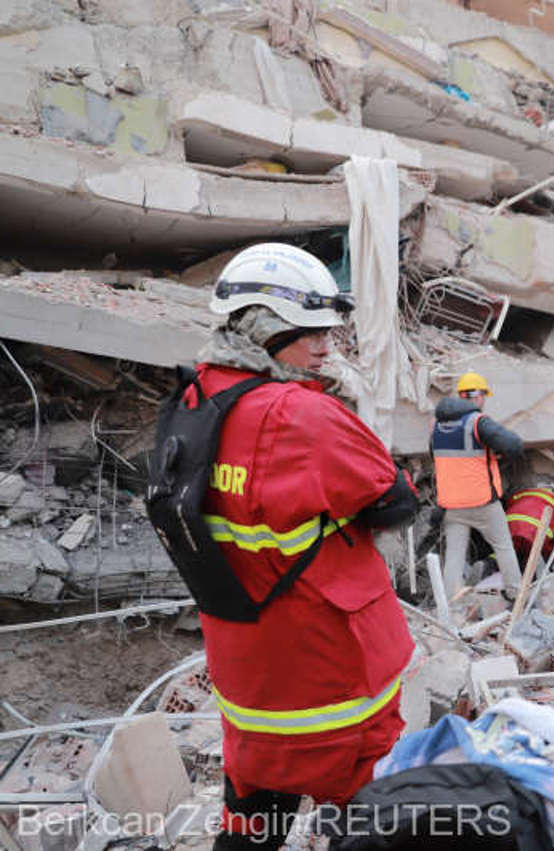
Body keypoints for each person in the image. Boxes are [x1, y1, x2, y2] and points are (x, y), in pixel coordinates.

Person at [194, 243, 418, 849]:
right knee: (368, 826)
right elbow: (396, 501)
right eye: (306, 332)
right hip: (334, 680)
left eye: (328, 330)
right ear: (261, 328)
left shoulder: (196, 399)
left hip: (247, 675)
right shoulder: (299, 413)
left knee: (251, 812)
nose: (325, 345)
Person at [431, 372, 524, 598]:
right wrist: (498, 455)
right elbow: (514, 445)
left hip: (451, 506)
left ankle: (451, 606)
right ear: (477, 396)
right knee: (503, 548)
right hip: (482, 503)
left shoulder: (437, 426)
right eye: (483, 395)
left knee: (454, 557)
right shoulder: (478, 422)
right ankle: (516, 595)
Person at [505, 482, 554, 566]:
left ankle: (490, 563)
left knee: (504, 551)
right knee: (532, 557)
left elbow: (509, 503)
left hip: (509, 526)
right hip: (534, 534)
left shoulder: (525, 493)